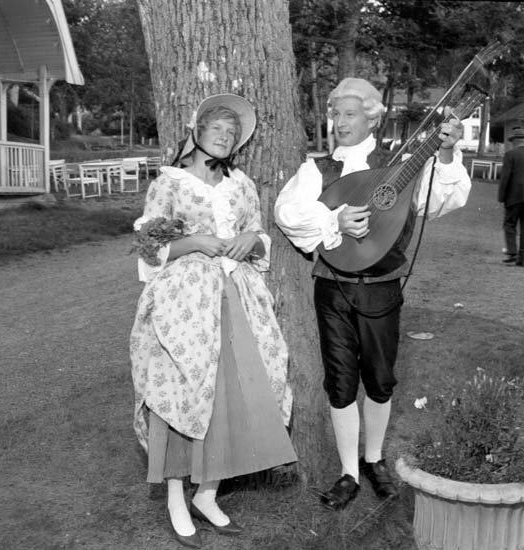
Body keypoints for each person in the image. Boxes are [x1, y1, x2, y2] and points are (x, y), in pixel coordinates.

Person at [274, 78, 471, 510]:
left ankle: (374, 460)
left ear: (372, 118)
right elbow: (286, 211)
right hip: (333, 289)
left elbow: (442, 201)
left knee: (380, 380)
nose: (340, 122)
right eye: (335, 114)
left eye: (350, 114)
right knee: (341, 380)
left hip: (382, 288)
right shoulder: (318, 170)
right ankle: (348, 472)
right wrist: (334, 221)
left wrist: (446, 152)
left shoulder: (400, 165)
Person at [129, 93, 296, 549]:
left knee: (232, 392)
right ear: (196, 131)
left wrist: (249, 240)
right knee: (181, 389)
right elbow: (149, 248)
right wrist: (196, 242)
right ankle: (176, 497)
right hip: (186, 300)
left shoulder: (241, 185)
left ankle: (207, 493)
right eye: (216, 129)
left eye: (232, 133)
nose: (224, 137)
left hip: (237, 295)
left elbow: (258, 235)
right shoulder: (169, 183)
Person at [498, 128, 524, 266]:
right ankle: (523, 256)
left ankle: (512, 252)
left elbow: (505, 177)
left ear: (514, 141)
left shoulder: (510, 154)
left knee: (509, 224)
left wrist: (501, 196)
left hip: (514, 196)